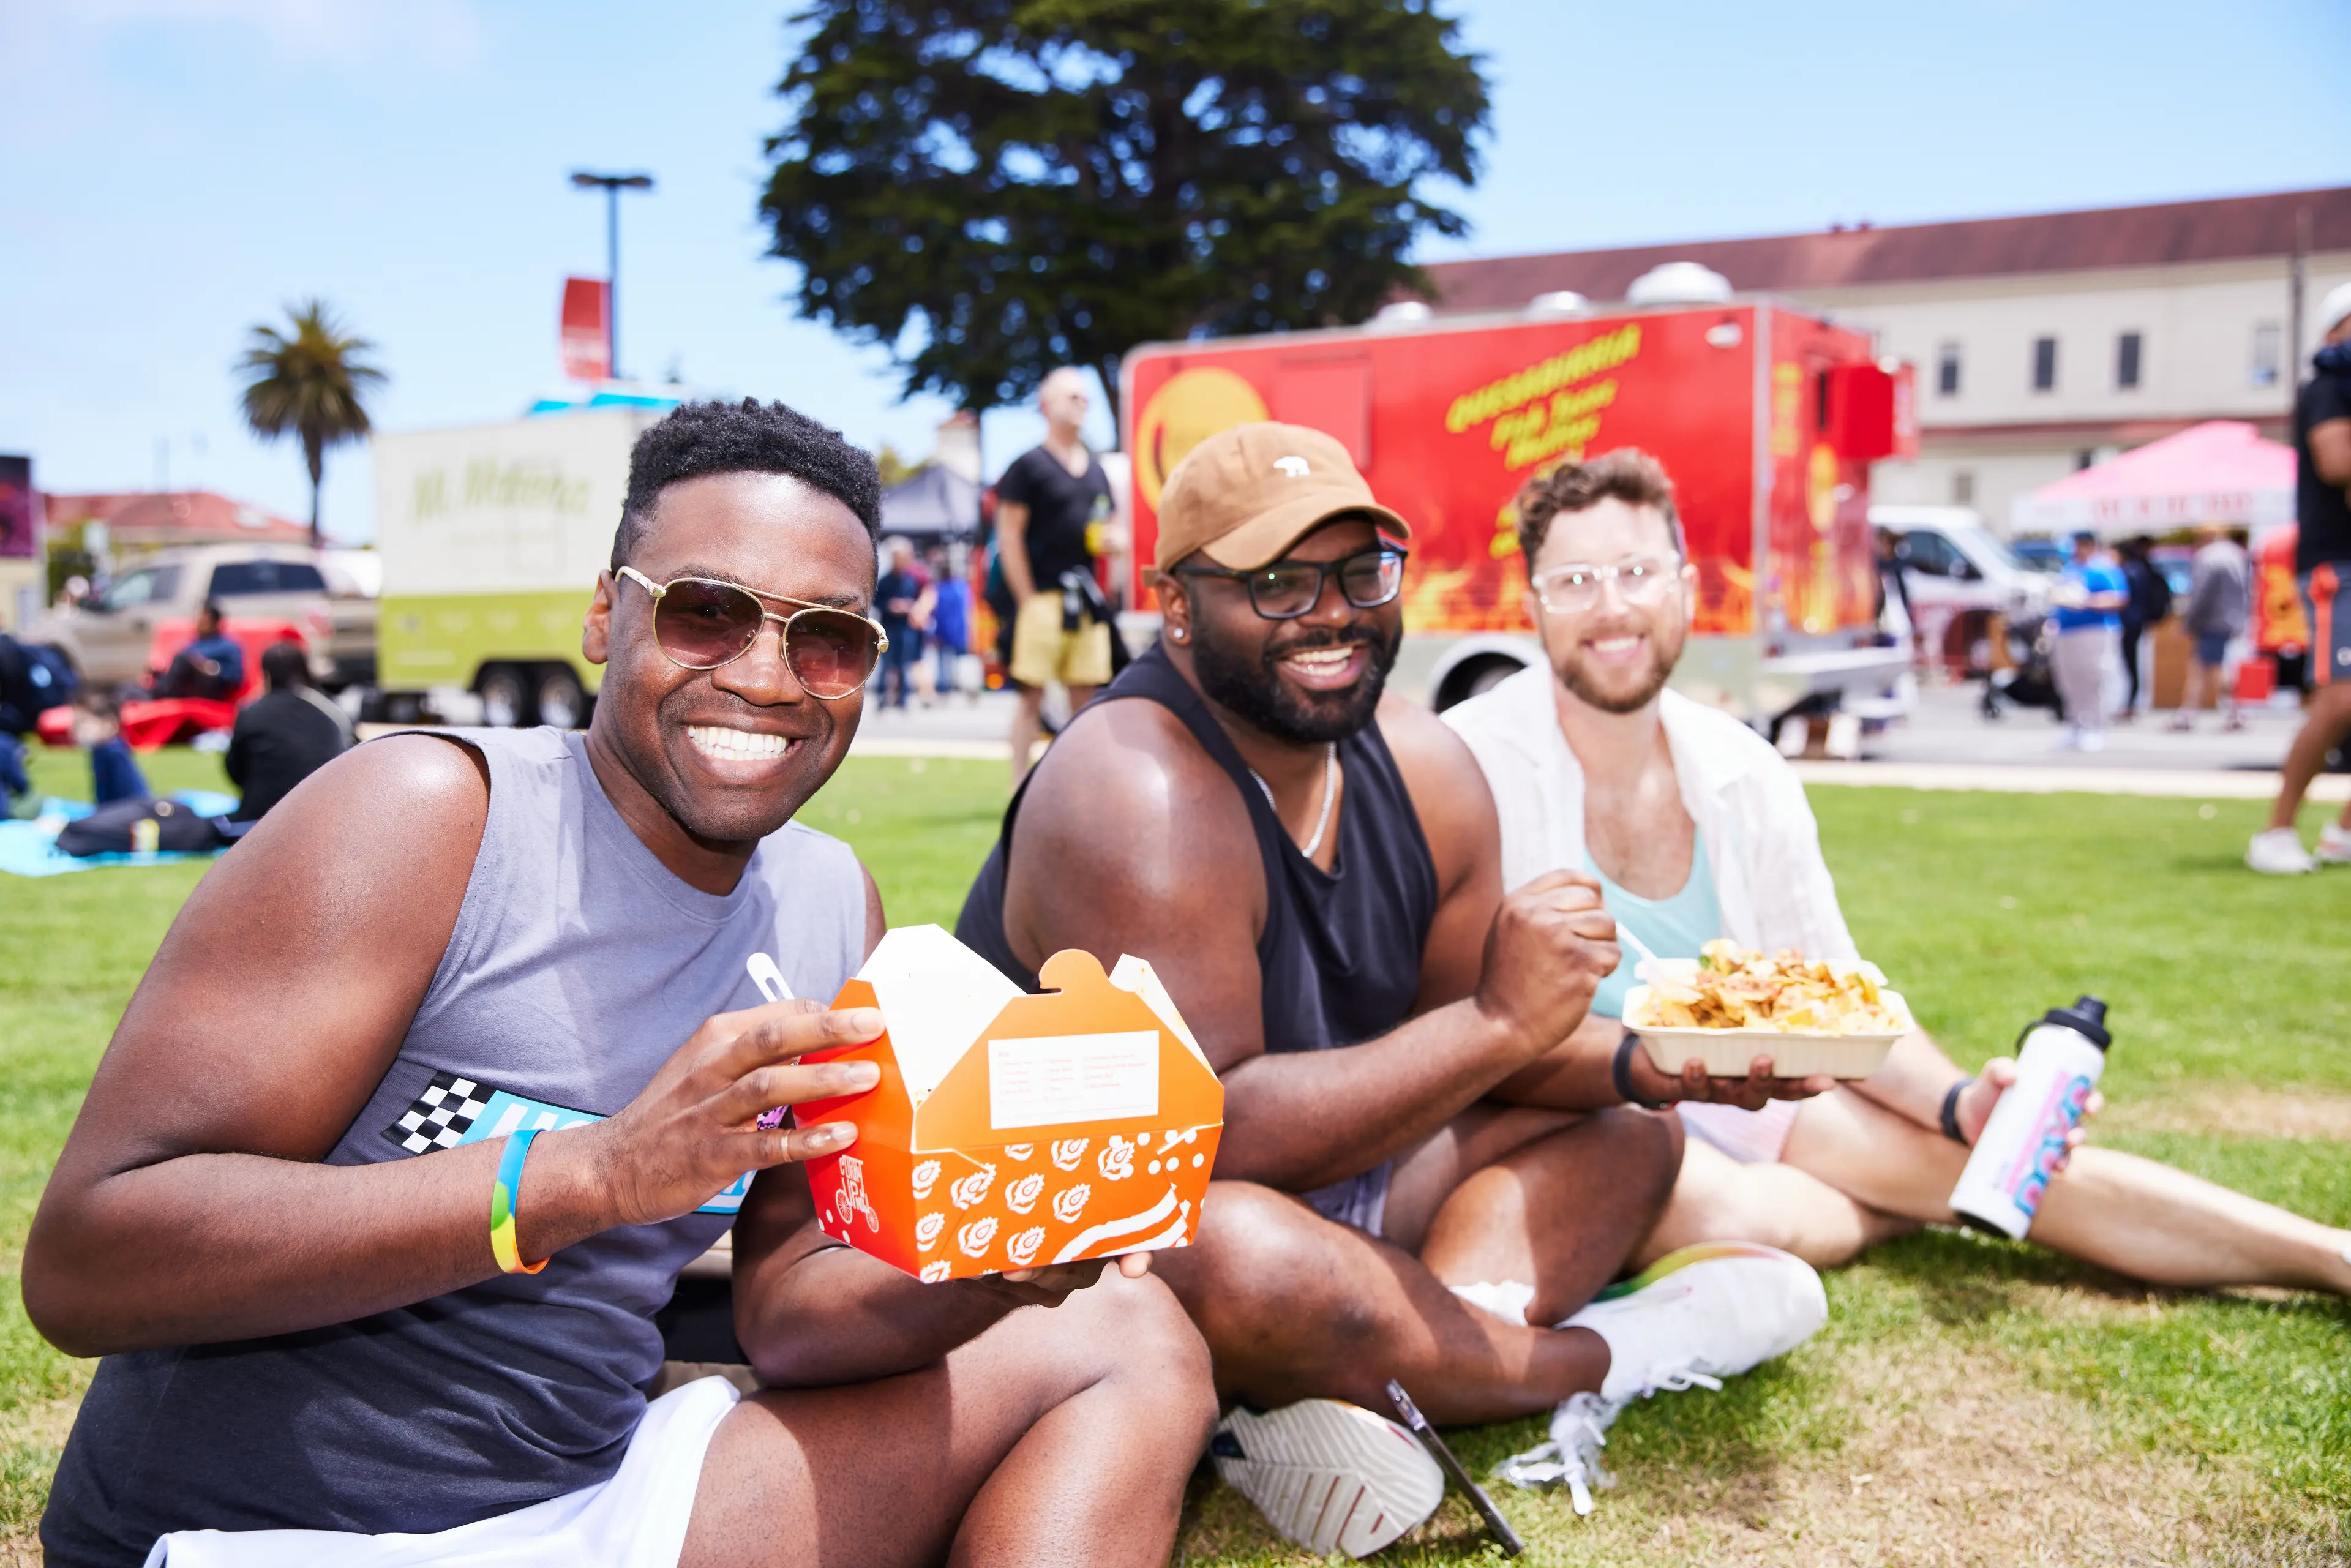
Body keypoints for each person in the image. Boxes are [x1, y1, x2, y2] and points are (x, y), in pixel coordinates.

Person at [28, 399, 1215, 1568]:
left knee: (1132, 1329)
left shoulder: (825, 899)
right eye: (708, 612)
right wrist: (589, 1174)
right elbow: (88, 1261)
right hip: (274, 1533)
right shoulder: (429, 818)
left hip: (595, 1507)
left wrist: (992, 1268)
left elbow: (791, 1307)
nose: (767, 675)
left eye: (829, 638)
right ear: (607, 615)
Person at [958, 422, 1826, 1550]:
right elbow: (1201, 1144)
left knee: (1633, 1136)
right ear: (1175, 605)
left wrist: (1644, 1060)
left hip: (1344, 1191)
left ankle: (1368, 1375)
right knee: (1234, 1251)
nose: (1331, 613)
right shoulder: (1135, 789)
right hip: (1103, 1235)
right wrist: (1501, 1021)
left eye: (1361, 573)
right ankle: (1604, 1357)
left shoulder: (1421, 762)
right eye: (1275, 583)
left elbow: (1468, 1057)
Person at [1444, 448, 2351, 1305]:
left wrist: (1958, 1103)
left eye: (1637, 572)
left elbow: (1833, 988)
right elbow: (1463, 1024)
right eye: (1575, 581)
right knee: (1713, 1208)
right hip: (1588, 1114)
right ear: (1534, 608)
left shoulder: (1742, 769)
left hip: (1748, 1087)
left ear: (1686, 588)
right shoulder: (1471, 765)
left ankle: (2332, 1257)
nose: (1611, 608)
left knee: (1979, 1160)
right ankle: (1881, 1216)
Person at [2249, 279, 2351, 874]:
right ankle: (2276, 831)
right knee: (2340, 702)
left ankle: (2342, 832)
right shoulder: (2329, 387)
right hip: (2337, 564)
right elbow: (2338, 463)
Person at [994, 368, 1115, 783]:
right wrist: (1026, 598)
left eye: (1085, 398)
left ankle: (1082, 783)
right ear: (1046, 405)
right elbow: (1008, 537)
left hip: (1086, 600)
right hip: (1042, 598)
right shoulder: (1028, 466)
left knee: (1087, 695)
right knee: (1032, 695)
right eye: (1072, 397)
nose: (1082, 404)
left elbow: (1106, 530)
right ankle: (1017, 785)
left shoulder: (1097, 471)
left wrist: (1115, 543)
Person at [223, 640, 352, 822]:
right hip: (326, 815)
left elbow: (234, 769)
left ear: (266, 675)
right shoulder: (330, 710)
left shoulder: (251, 712)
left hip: (262, 817)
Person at [2050, 532, 2128, 751]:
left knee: (2093, 679)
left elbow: (2118, 598)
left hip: (2095, 631)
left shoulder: (2103, 567)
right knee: (2069, 681)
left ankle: (2095, 727)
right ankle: (2076, 725)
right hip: (2067, 631)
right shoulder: (2070, 569)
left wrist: (2086, 602)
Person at [2172, 523, 2250, 733]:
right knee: (2200, 667)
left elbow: (2201, 593)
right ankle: (2188, 712)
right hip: (2230, 619)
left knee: (2213, 667)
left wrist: (2188, 621)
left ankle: (2236, 711)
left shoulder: (2209, 557)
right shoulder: (2236, 554)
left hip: (2211, 620)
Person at [2114, 536, 2170, 719]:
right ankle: (2130, 702)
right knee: (2133, 663)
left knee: (2129, 664)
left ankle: (2129, 703)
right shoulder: (2141, 569)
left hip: (2129, 623)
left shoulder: (2130, 571)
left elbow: (2124, 599)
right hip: (2137, 622)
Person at [70, 686, 148, 805]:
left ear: (110, 725)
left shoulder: (114, 753)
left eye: (84, 723)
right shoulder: (99, 751)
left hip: (129, 810)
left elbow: (127, 797)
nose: (77, 730)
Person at [154, 601, 245, 702]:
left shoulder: (228, 646)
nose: (199, 623)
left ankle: (158, 695)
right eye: (198, 619)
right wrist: (158, 673)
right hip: (185, 689)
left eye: (204, 620)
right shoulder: (192, 645)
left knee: (183, 659)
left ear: (215, 623)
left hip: (210, 691)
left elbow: (236, 676)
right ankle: (155, 692)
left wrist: (212, 668)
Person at [872, 536, 924, 711]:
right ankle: (882, 698)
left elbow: (917, 600)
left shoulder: (911, 581)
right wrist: (890, 605)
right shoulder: (885, 581)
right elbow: (877, 601)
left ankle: (902, 700)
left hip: (905, 627)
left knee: (903, 664)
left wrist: (910, 606)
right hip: (889, 626)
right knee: (886, 664)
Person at [923, 544, 975, 705]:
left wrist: (934, 633)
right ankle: (970, 689)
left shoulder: (939, 590)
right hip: (961, 631)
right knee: (962, 661)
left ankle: (945, 692)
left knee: (944, 663)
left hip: (944, 631)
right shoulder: (963, 587)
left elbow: (936, 613)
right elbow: (969, 610)